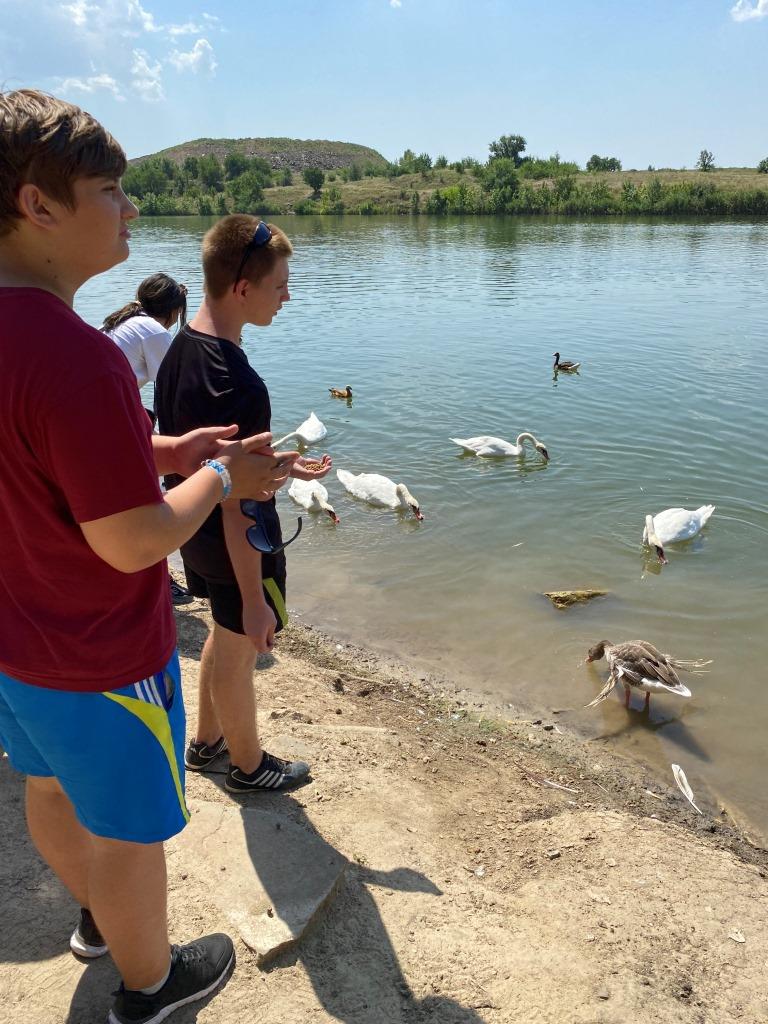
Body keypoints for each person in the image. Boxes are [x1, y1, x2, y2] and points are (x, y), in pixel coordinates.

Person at [0, 89, 298, 1024]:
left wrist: (170, 452)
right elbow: (132, 541)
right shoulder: (75, 357)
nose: (131, 209)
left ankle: (94, 921)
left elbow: (39, 457)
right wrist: (226, 480)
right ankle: (151, 985)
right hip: (101, 654)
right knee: (131, 833)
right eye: (113, 189)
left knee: (46, 785)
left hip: (18, 644)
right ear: (39, 207)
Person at [155, 215, 332, 794]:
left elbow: (212, 467)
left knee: (221, 635)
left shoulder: (181, 349)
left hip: (195, 537)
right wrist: (257, 599)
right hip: (239, 550)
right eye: (280, 284)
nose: (287, 296)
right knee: (240, 646)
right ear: (242, 288)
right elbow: (240, 506)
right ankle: (249, 766)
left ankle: (206, 744)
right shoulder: (242, 384)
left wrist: (280, 467)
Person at [103, 273, 193, 604]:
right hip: (111, 418)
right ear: (172, 310)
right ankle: (158, 579)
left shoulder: (125, 321)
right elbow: (175, 389)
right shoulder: (154, 331)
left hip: (101, 413)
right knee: (146, 498)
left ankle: (128, 568)